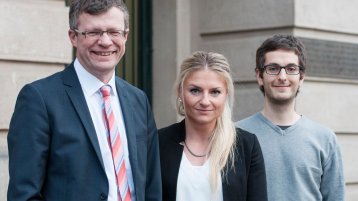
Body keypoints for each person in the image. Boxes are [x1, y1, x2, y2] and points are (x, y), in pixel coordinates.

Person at [7, 0, 161, 200]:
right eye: (93, 32)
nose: (105, 41)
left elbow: (151, 188)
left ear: (126, 36)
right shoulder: (39, 99)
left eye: (114, 32)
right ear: (73, 36)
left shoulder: (138, 100)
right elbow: (24, 194)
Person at [236, 34, 345, 201]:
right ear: (259, 76)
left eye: (291, 69)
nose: (282, 77)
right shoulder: (236, 135)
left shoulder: (325, 139)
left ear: (301, 77)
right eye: (273, 68)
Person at [159, 51, 267, 201]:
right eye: (195, 90)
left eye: (215, 92)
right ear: (180, 91)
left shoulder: (246, 145)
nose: (205, 101)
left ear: (226, 94)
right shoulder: (158, 143)